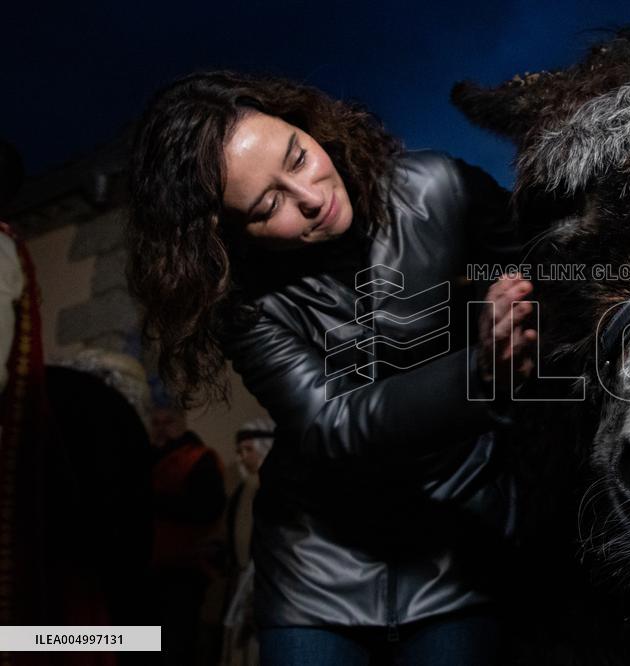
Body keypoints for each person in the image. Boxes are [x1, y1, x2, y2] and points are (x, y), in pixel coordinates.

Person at [126, 70, 534, 666]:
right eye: (269, 205)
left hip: (457, 547)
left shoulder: (439, 187)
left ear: (305, 125)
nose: (311, 196)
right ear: (227, 234)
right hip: (316, 574)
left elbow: (553, 272)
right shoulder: (240, 303)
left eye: (298, 156)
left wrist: (522, 300)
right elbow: (330, 423)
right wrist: (480, 376)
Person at [149, 404, 226, 665]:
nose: (161, 429)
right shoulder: (147, 457)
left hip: (183, 568)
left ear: (181, 425)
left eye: (167, 422)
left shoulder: (198, 459)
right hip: (152, 567)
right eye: (156, 423)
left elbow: (206, 508)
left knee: (175, 644)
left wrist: (152, 501)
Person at [221, 418, 275, 666]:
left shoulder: (273, 487)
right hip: (242, 577)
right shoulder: (244, 489)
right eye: (239, 451)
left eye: (248, 450)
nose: (242, 457)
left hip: (263, 580)